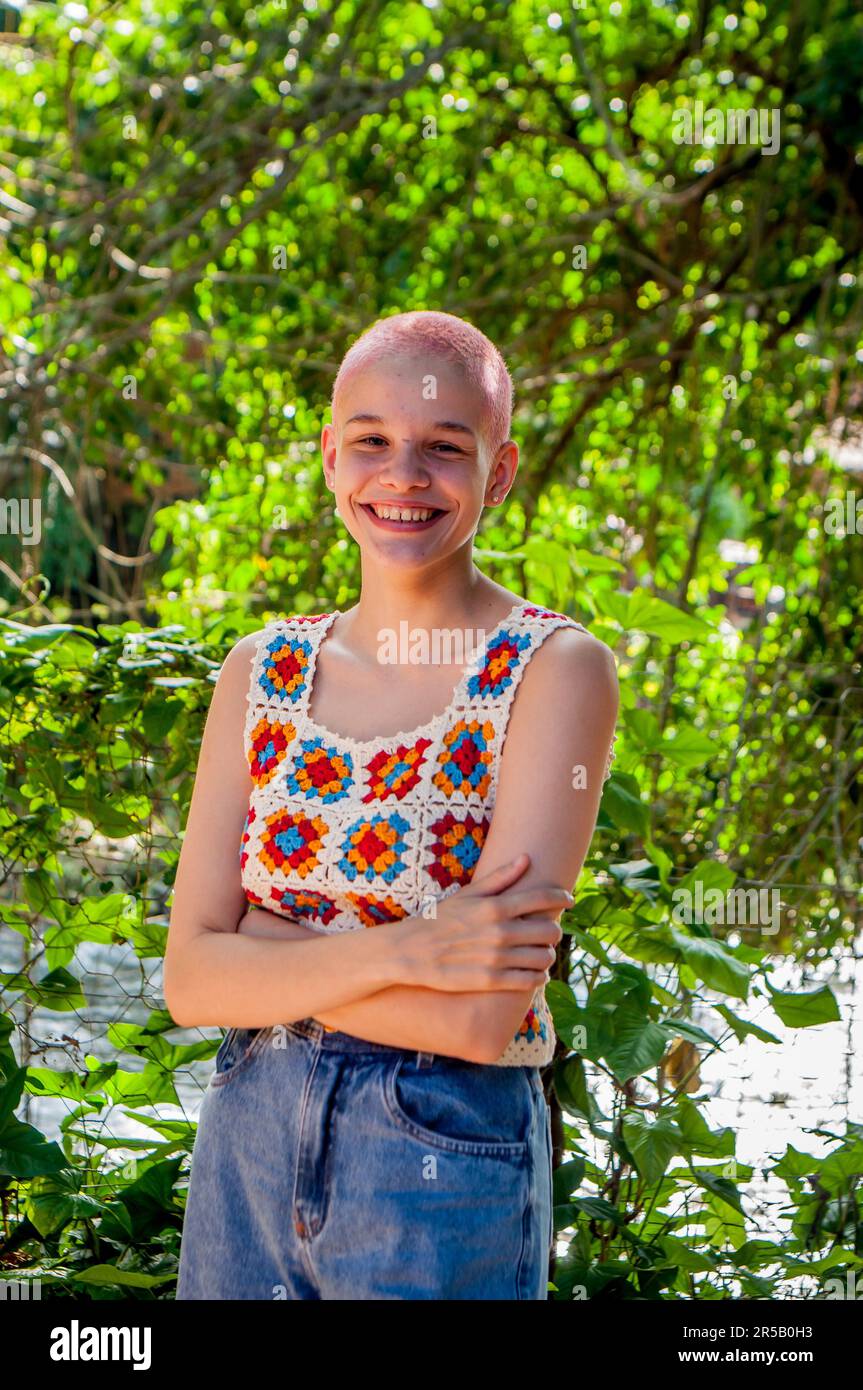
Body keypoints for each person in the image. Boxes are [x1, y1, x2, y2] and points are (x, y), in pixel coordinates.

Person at [165, 309, 619, 1300]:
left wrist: (268, 949)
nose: (402, 475)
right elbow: (191, 981)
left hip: (438, 1154)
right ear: (331, 457)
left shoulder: (554, 670)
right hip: (248, 1131)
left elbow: (480, 1018)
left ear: (496, 473)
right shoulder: (261, 670)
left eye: (443, 448)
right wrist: (408, 949)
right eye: (370, 440)